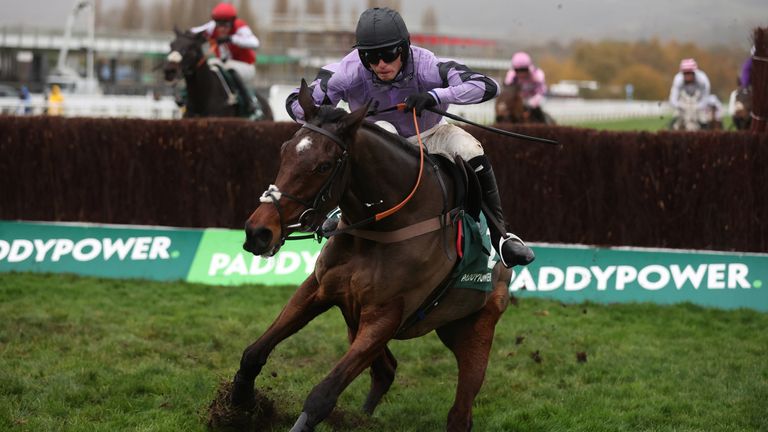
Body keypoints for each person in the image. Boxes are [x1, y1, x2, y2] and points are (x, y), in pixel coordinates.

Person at [286, 7, 535, 268]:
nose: (381, 63)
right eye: (370, 56)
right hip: (375, 143)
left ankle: (501, 238)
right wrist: (331, 108)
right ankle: (340, 213)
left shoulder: (426, 64)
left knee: (470, 148)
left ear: (404, 48)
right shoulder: (345, 72)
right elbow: (296, 106)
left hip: (430, 133)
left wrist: (436, 96)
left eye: (388, 53)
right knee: (382, 131)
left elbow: (488, 86)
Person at [190, 2, 260, 113]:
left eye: (226, 25)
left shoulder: (240, 27)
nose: (222, 29)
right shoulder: (212, 27)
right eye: (219, 25)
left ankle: (249, 102)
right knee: (209, 65)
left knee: (229, 67)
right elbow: (192, 32)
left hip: (246, 66)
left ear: (232, 23)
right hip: (224, 63)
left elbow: (255, 43)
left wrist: (231, 39)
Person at [503, 51, 547, 121]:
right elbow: (508, 92)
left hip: (534, 98)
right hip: (519, 100)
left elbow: (541, 92)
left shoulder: (537, 74)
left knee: (537, 110)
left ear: (528, 68)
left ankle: (544, 123)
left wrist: (530, 106)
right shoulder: (511, 75)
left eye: (523, 70)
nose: (521, 73)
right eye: (517, 70)